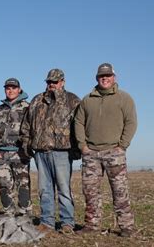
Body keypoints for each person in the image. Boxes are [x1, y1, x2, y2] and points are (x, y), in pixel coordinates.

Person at [74, 63, 138, 237]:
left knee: (120, 190)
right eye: (102, 76)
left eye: (108, 76)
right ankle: (92, 225)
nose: (105, 78)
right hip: (91, 154)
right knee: (90, 191)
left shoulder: (124, 98)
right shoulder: (87, 100)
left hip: (114, 152)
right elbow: (78, 123)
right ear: (97, 78)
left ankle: (126, 226)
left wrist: (122, 146)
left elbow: (131, 122)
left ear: (114, 78)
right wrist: (83, 146)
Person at [20, 69, 81, 234]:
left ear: (63, 82)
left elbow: (79, 126)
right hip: (40, 152)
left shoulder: (72, 100)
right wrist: (27, 143)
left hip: (62, 152)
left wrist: (77, 149)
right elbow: (26, 124)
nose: (51, 85)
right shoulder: (37, 100)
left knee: (63, 188)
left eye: (55, 81)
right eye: (49, 82)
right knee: (44, 189)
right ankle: (47, 222)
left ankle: (67, 222)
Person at [0, 78, 32, 216]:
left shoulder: (27, 107)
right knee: (4, 185)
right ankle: (8, 213)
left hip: (20, 153)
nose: (10, 91)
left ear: (19, 89)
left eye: (13, 88)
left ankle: (24, 214)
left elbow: (32, 129)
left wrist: (27, 148)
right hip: (3, 154)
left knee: (23, 185)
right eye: (8, 88)